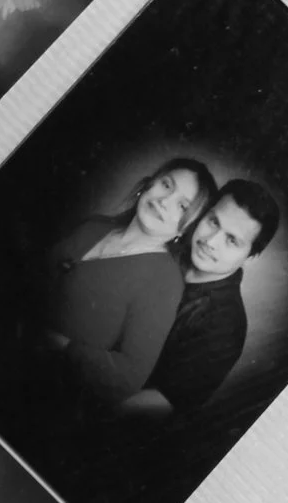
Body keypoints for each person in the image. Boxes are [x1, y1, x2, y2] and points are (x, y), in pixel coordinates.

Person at [41, 158, 220, 405]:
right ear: (149, 184)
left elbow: (128, 377)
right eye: (166, 185)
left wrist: (63, 346)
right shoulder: (94, 225)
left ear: (186, 229)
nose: (164, 201)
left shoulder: (164, 282)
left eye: (182, 206)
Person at [121, 180, 282, 418]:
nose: (210, 241)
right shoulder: (171, 242)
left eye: (232, 240)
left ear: (250, 257)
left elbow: (166, 399)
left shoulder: (225, 326)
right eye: (213, 222)